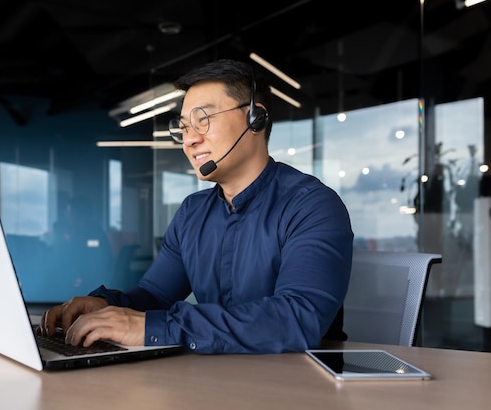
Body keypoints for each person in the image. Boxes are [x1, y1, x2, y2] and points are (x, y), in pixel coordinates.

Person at [37, 59, 354, 354]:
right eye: (184, 127)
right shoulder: (193, 212)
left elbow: (297, 319)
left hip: (299, 383)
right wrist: (106, 306)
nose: (189, 139)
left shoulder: (311, 205)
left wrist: (157, 327)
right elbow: (154, 296)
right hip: (213, 377)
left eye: (202, 120)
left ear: (255, 118)